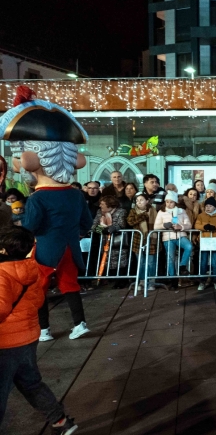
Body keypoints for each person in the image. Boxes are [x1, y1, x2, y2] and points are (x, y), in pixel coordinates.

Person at [1, 87, 94, 342]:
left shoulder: (38, 197)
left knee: (37, 287)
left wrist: (18, 223)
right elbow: (86, 222)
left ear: (33, 159)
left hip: (45, 249)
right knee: (70, 286)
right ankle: (80, 323)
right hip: (70, 247)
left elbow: (31, 225)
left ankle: (43, 329)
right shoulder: (76, 194)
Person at [0, 226, 79, 434]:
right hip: (27, 337)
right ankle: (60, 421)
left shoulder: (1, 273)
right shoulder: (32, 268)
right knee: (31, 383)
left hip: (5, 341)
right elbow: (37, 300)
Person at [90, 195, 129, 288]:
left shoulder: (121, 211)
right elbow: (94, 226)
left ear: (110, 204)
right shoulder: (100, 212)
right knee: (107, 260)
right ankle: (110, 279)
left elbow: (121, 224)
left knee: (120, 260)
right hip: (104, 241)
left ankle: (121, 281)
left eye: (102, 204)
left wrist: (114, 228)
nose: (100, 206)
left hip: (118, 241)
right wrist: (102, 229)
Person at [154, 191, 193, 278]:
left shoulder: (181, 211)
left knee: (189, 246)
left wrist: (181, 227)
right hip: (168, 237)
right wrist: (164, 225)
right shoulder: (161, 212)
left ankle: (182, 266)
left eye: (171, 202)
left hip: (180, 235)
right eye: (167, 201)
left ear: (175, 202)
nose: (168, 204)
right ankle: (173, 278)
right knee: (170, 259)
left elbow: (189, 225)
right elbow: (156, 227)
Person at [195, 197, 216, 291]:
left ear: (214, 207)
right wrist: (204, 227)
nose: (208, 207)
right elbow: (197, 225)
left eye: (210, 206)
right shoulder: (201, 216)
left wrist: (214, 227)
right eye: (206, 206)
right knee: (203, 262)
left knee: (214, 262)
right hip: (204, 240)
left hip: (215, 240)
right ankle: (202, 281)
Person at [127, 194, 158, 291]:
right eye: (137, 200)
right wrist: (144, 215)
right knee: (141, 262)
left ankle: (151, 282)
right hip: (138, 240)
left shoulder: (153, 210)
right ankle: (141, 281)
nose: (138, 202)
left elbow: (157, 223)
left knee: (151, 262)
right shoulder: (133, 211)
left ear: (147, 201)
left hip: (151, 239)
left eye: (141, 200)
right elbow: (130, 221)